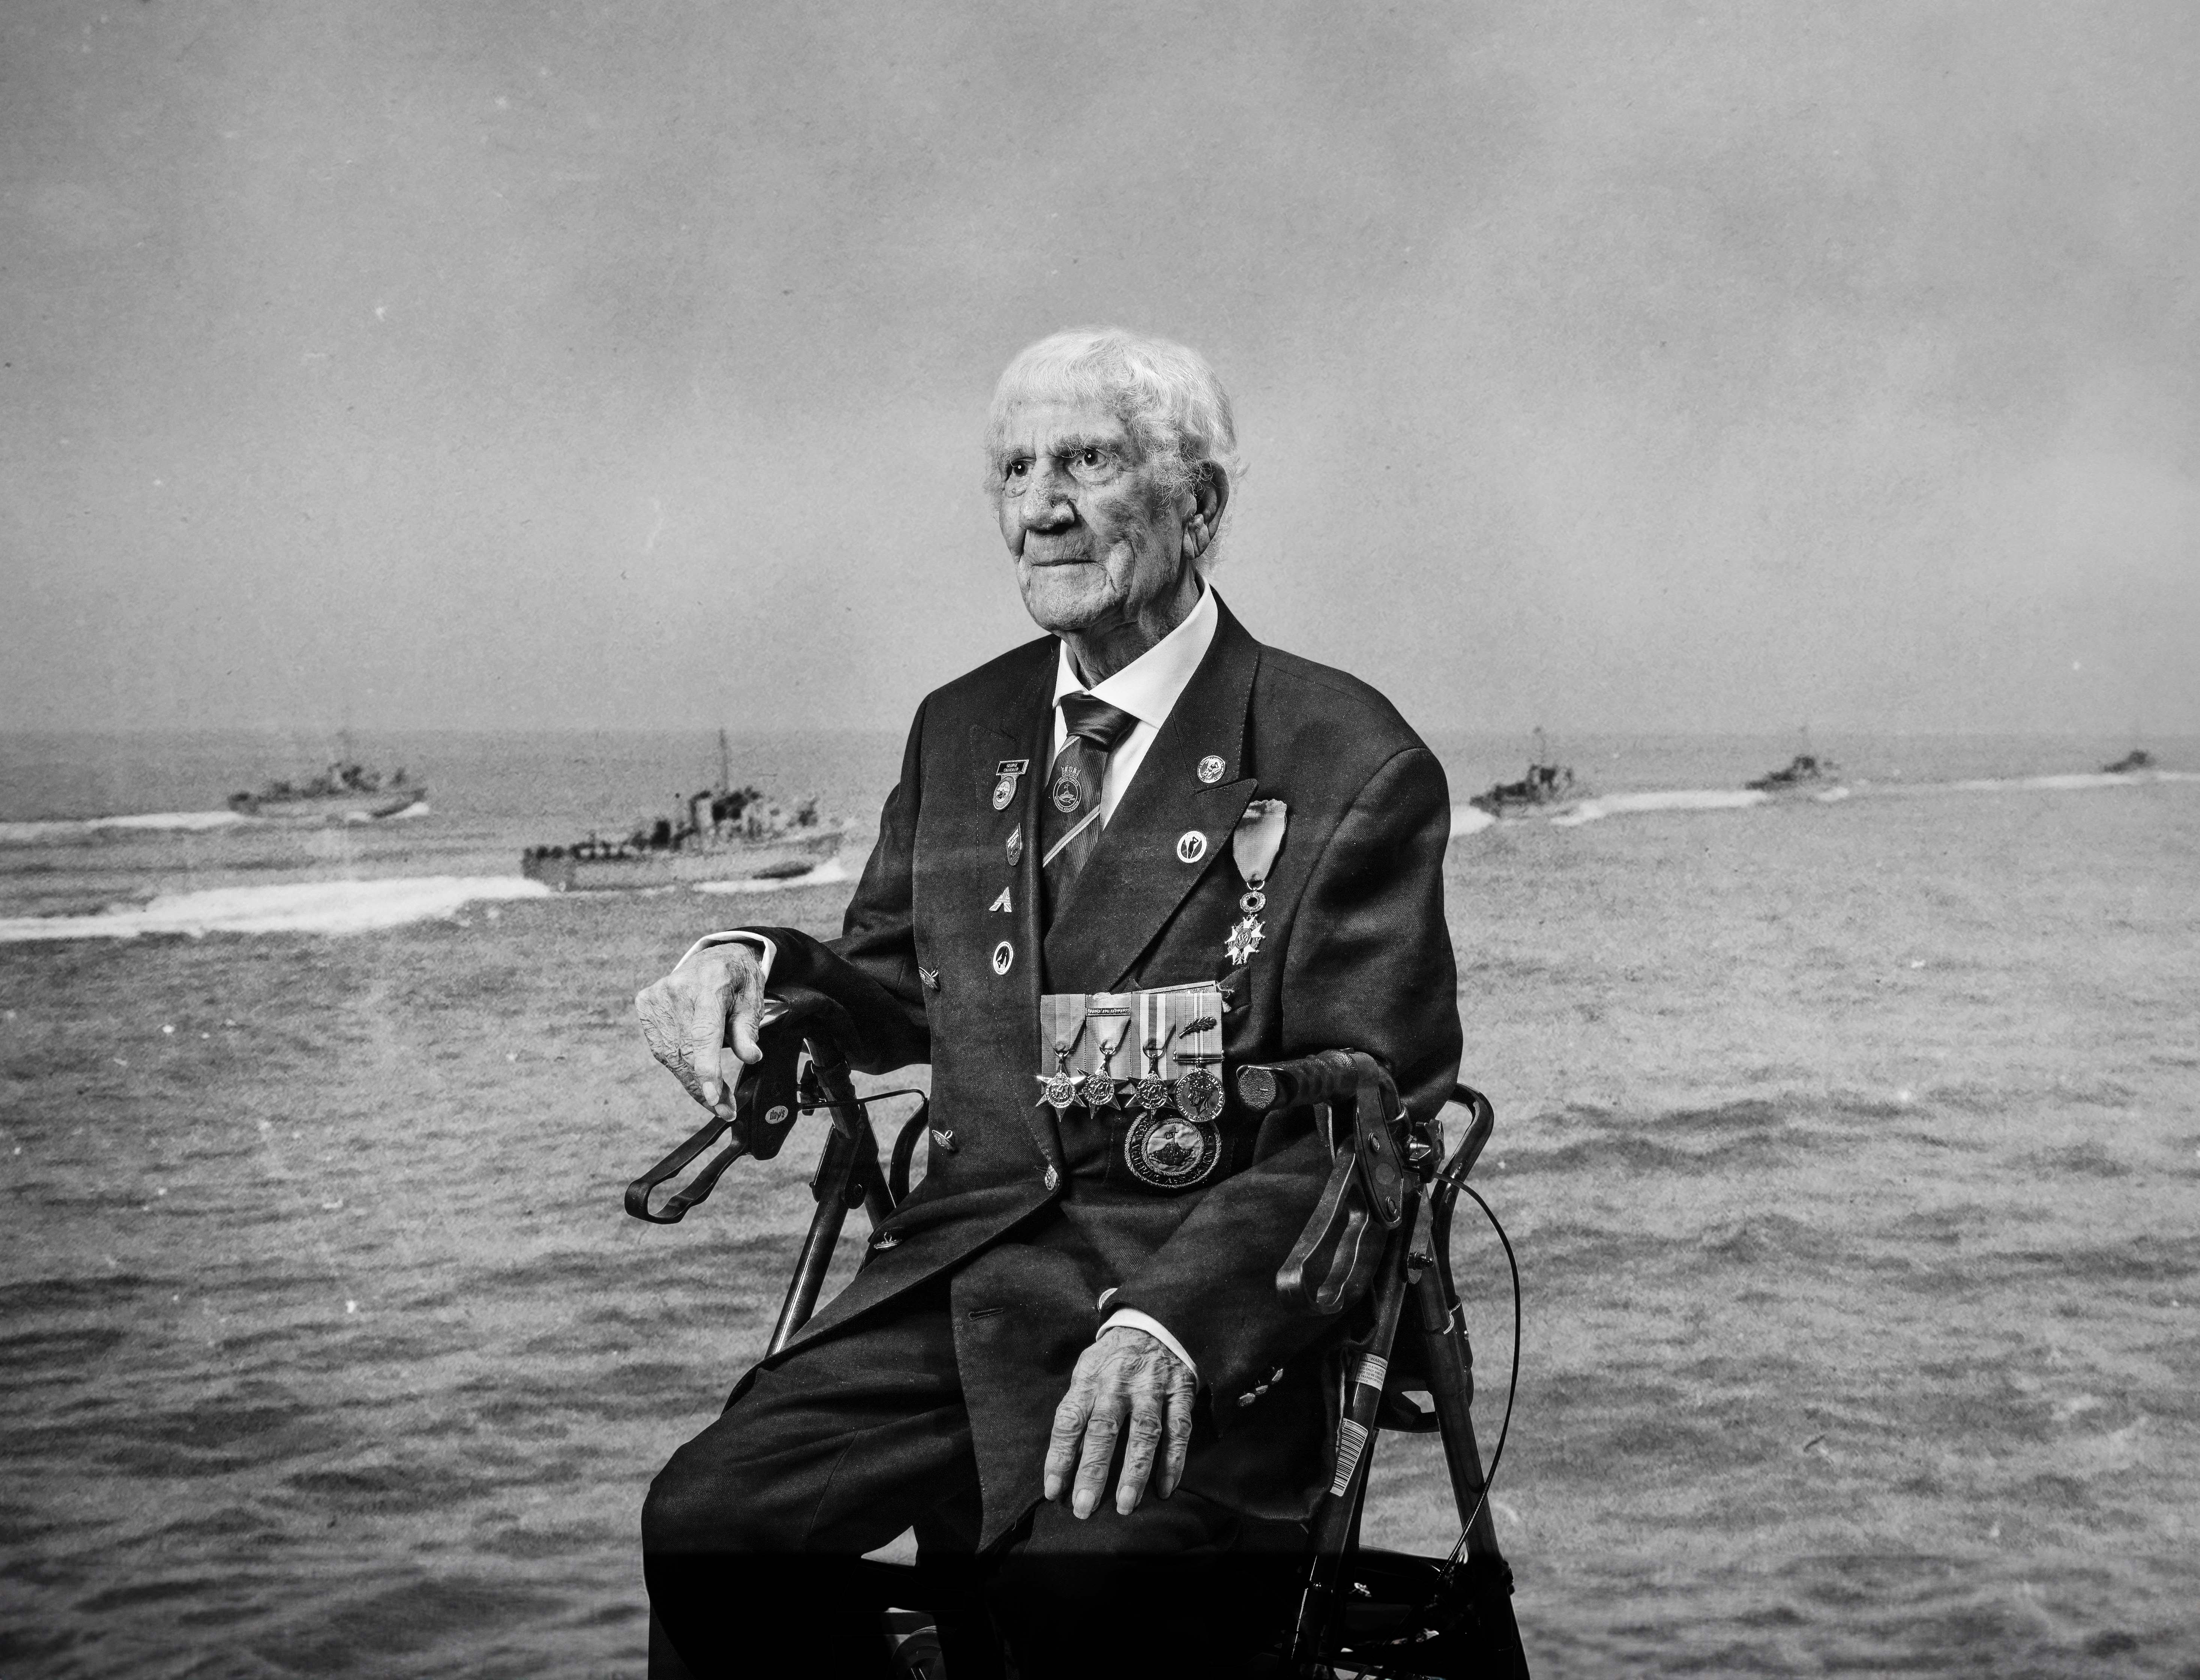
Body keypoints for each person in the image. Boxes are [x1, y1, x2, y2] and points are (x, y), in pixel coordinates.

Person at [636, 327, 1461, 1677]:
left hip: (1187, 1302)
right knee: (709, 1526)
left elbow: (1367, 1128)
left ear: (1198, 503)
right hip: (956, 1278)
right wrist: (756, 965)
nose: (1038, 505)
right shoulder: (960, 729)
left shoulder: (1344, 755)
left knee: (1084, 1595)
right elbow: (900, 983)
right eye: (1012, 468)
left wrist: (1172, 1329)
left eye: (1085, 459)